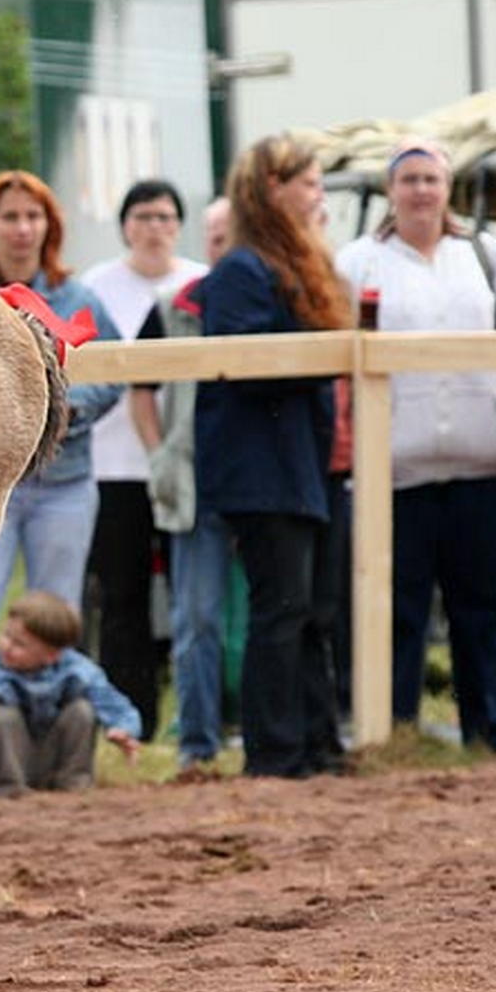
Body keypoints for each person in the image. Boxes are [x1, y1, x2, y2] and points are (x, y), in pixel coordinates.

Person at [335, 138, 496, 753]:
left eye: (431, 178)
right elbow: (339, 357)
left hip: (487, 460)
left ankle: (492, 732)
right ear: (390, 191)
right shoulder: (356, 264)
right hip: (394, 469)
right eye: (409, 179)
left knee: (483, 609)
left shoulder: (487, 256)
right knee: (396, 609)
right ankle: (396, 734)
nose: (421, 190)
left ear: (448, 188)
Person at [193, 134, 350, 779]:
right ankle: (275, 751)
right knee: (281, 607)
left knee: (315, 609)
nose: (317, 194)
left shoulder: (293, 266)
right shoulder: (241, 270)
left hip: (304, 464)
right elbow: (248, 366)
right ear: (272, 189)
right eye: (307, 182)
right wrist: (320, 355)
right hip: (262, 469)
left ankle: (317, 744)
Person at [0, 170, 124, 646]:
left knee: (55, 615)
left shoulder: (78, 298)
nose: (22, 228)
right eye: (10, 216)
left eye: (32, 216)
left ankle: (51, 719)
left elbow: (114, 372)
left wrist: (64, 409)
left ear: (48, 226)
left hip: (63, 481)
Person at [79, 181, 201, 740]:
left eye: (166, 217)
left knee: (191, 591)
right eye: (144, 216)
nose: (155, 227)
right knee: (122, 596)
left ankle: (196, 711)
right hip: (113, 465)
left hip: (184, 466)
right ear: (126, 224)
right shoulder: (95, 286)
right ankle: (134, 718)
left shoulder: (198, 283)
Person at [148, 198, 241, 768]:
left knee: (270, 617)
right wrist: (160, 453)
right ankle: (198, 744)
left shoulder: (273, 297)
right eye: (213, 235)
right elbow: (136, 384)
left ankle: (263, 733)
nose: (219, 245)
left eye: (229, 235)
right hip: (196, 480)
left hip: (256, 480)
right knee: (196, 617)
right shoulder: (175, 305)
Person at [0, 590, 142, 797]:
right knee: (1, 717)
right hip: (11, 762)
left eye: (20, 644)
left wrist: (123, 729)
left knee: (82, 711)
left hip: (52, 757)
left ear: (51, 655)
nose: (6, 647)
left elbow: (114, 704)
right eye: (6, 635)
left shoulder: (77, 670)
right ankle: (9, 793)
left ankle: (73, 788)